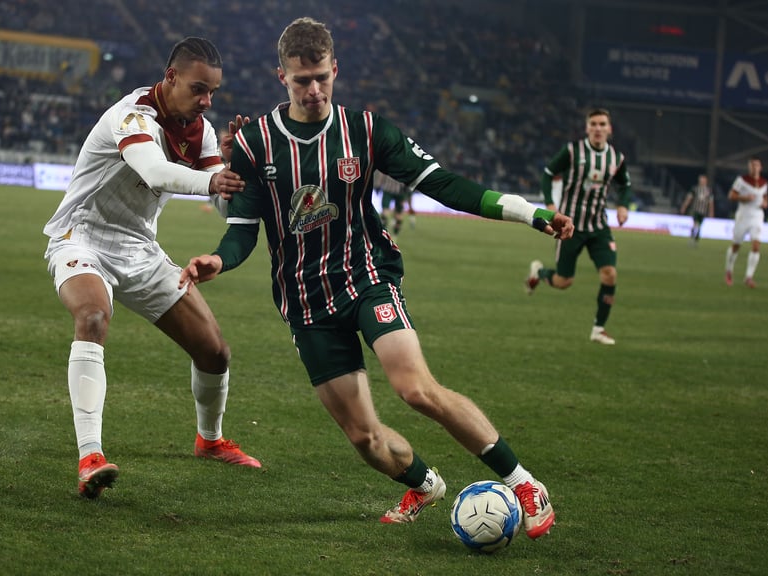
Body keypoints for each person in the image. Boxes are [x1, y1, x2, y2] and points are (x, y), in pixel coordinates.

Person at [179, 17, 568, 537]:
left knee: (414, 389)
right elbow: (243, 233)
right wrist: (217, 261)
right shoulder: (254, 144)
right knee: (365, 438)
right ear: (282, 78)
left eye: (322, 77)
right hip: (305, 304)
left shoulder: (366, 130)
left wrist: (528, 212)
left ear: (335, 69)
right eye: (301, 81)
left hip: (366, 277)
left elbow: (445, 184)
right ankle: (425, 484)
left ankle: (523, 482)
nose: (313, 90)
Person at [42, 37, 261, 500]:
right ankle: (89, 457)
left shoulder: (199, 130)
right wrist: (211, 179)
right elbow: (156, 171)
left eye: (213, 93)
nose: (206, 101)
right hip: (82, 236)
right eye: (199, 89)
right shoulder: (133, 114)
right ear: (170, 78)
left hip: (139, 248)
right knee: (93, 317)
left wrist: (234, 170)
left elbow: (223, 204)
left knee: (215, 352)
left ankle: (210, 439)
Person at [524, 108, 631, 345]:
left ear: (609, 129)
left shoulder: (616, 158)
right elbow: (547, 173)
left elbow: (625, 184)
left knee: (610, 274)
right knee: (563, 282)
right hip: (571, 226)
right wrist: (551, 205)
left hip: (599, 227)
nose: (598, 128)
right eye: (593, 124)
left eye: (602, 124)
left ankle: (598, 329)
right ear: (587, 128)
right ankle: (539, 273)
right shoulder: (573, 152)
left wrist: (623, 206)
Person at [725, 157, 767, 288]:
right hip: (743, 215)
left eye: (757, 165)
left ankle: (749, 277)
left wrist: (765, 203)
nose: (755, 167)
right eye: (752, 165)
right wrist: (744, 197)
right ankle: (729, 270)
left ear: (760, 167)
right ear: (749, 167)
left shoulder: (764, 182)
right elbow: (731, 195)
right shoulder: (742, 180)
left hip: (757, 216)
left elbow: (765, 198)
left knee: (756, 246)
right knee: (736, 245)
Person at [679, 174, 714, 247]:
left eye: (703, 181)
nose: (702, 182)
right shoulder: (695, 189)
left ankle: (696, 239)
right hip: (695, 210)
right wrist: (684, 207)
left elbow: (711, 203)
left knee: (699, 226)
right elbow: (689, 198)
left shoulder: (709, 191)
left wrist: (711, 212)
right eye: (701, 181)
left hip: (703, 211)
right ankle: (692, 238)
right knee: (695, 224)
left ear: (706, 181)